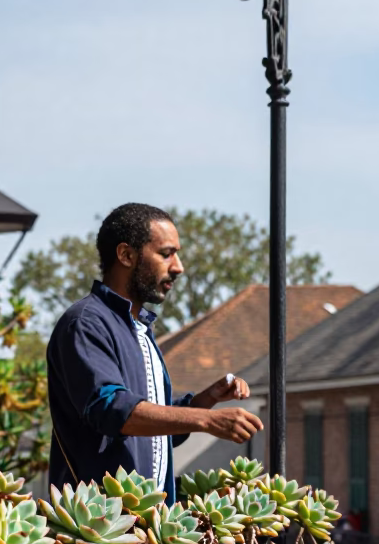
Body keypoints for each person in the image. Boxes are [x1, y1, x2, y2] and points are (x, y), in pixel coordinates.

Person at [46, 202, 263, 501]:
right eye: (166, 254)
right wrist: (206, 420)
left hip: (148, 530)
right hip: (99, 529)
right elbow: (113, 411)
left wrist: (205, 401)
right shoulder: (86, 323)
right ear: (126, 255)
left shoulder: (139, 328)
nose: (178, 267)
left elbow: (150, 432)